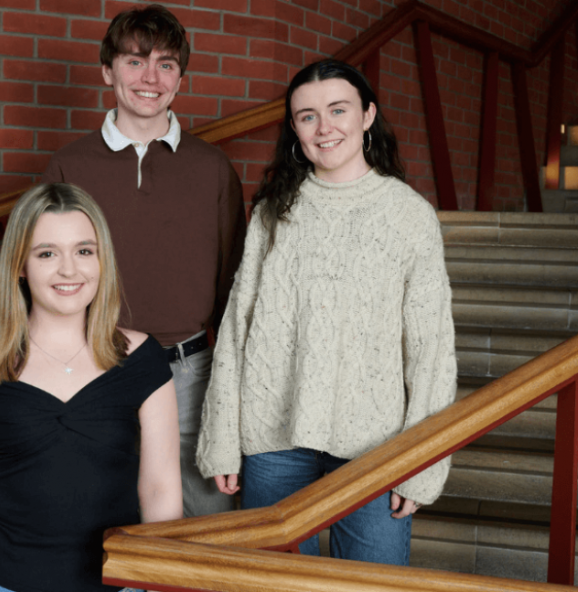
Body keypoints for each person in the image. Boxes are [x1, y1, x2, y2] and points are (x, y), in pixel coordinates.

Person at [195, 59, 457, 566]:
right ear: (294, 129)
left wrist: (422, 463)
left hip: (375, 447)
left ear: (367, 115)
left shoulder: (410, 216)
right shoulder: (273, 212)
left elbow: (431, 353)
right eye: (307, 116)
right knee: (271, 583)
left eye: (338, 110)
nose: (324, 127)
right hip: (272, 439)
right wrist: (222, 436)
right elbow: (237, 328)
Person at [0, 183, 181, 592]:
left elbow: (159, 490)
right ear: (20, 266)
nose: (69, 270)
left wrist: (158, 584)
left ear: (102, 260)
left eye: (84, 251)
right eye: (47, 253)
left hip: (122, 583)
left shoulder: (143, 358)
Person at [41, 4, 246, 518]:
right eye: (135, 61)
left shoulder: (213, 168)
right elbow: (43, 279)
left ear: (180, 79)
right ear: (107, 71)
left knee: (204, 525)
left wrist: (231, 393)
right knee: (97, 519)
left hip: (191, 373)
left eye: (166, 64)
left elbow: (234, 285)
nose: (150, 78)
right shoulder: (69, 165)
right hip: (93, 364)